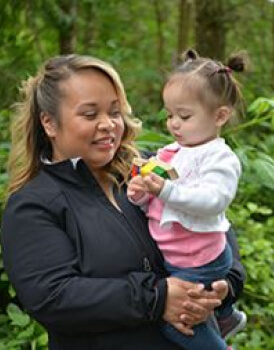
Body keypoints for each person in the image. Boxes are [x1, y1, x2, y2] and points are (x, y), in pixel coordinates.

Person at [1, 54, 245, 350]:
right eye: (90, 115)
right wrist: (157, 298)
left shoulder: (145, 171)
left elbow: (212, 222)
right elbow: (54, 297)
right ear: (49, 123)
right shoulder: (34, 205)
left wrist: (225, 286)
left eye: (114, 112)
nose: (109, 125)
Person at [127, 49, 248, 350]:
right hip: (179, 256)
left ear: (220, 115)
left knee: (178, 323)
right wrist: (141, 193)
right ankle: (224, 315)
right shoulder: (170, 152)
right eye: (169, 115)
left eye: (184, 116)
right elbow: (159, 204)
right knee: (196, 308)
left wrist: (165, 190)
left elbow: (212, 201)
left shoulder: (220, 158)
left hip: (200, 259)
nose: (174, 124)